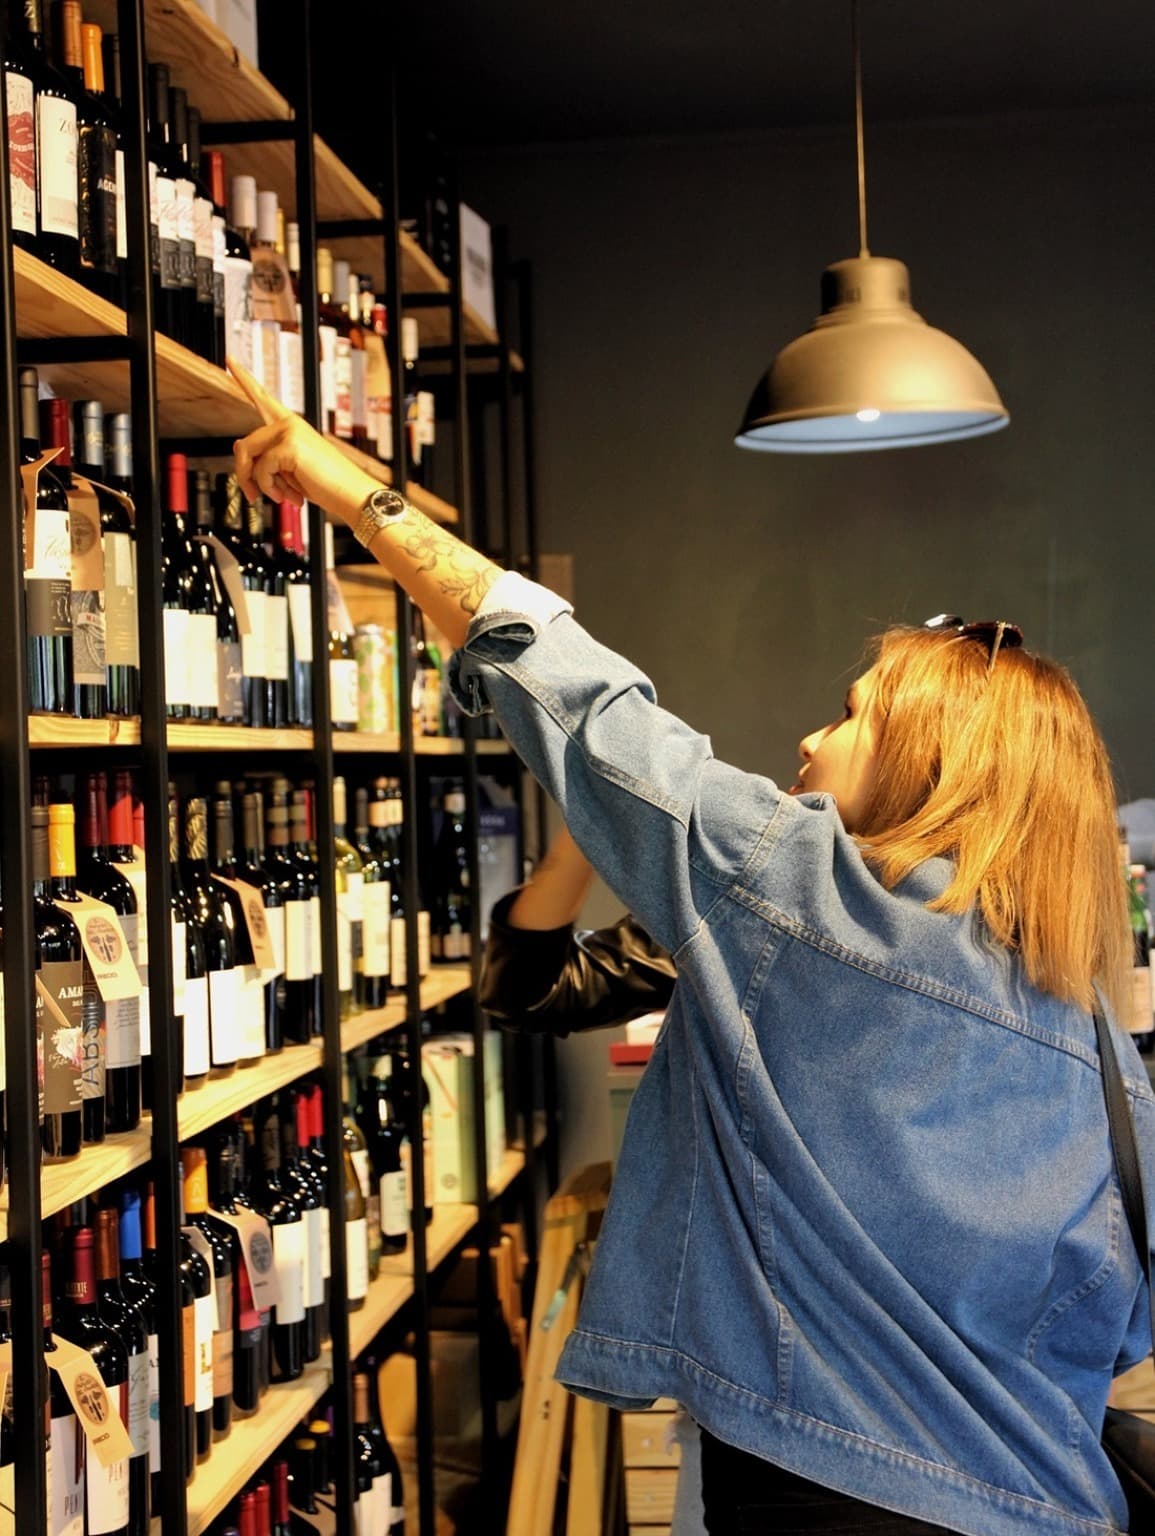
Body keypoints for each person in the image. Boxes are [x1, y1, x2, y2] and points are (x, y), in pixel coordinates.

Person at [230, 358, 1153, 1536]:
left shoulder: (801, 896)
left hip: (835, 1505)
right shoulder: (1087, 1024)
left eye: (854, 711)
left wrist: (352, 489)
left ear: (933, 766)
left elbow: (572, 688)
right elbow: (1124, 1318)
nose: (814, 738)